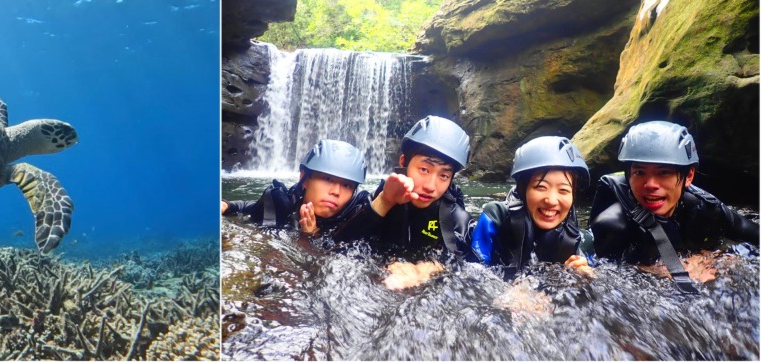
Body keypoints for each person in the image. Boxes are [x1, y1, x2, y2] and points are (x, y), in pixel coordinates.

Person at [589, 121, 759, 293]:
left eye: (664, 172)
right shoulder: (612, 224)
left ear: (689, 175)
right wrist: (657, 271)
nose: (650, 184)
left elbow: (753, 234)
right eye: (639, 172)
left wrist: (720, 259)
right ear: (628, 176)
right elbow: (608, 281)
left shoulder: (705, 208)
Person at [332, 116, 472, 287]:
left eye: (444, 176)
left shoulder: (455, 217)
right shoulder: (383, 194)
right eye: (424, 169)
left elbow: (461, 264)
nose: (430, 186)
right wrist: (385, 201)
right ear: (403, 162)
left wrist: (421, 271)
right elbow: (338, 245)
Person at [470, 136, 594, 279]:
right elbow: (472, 276)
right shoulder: (496, 218)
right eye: (541, 187)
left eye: (563, 190)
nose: (551, 200)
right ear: (523, 190)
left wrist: (585, 280)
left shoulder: (583, 240)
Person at [223, 139, 371, 239]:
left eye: (346, 185)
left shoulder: (355, 218)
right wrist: (228, 205)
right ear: (304, 178)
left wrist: (311, 236)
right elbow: (252, 207)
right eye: (327, 179)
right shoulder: (286, 203)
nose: (336, 192)